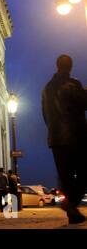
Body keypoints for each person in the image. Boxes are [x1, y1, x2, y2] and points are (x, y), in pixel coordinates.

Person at [42, 54, 87, 224]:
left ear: (57, 65)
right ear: (70, 67)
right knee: (84, 173)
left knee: (66, 177)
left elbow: (45, 115)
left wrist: (54, 130)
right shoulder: (72, 84)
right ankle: (70, 203)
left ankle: (73, 215)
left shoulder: (46, 89)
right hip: (76, 137)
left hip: (56, 138)